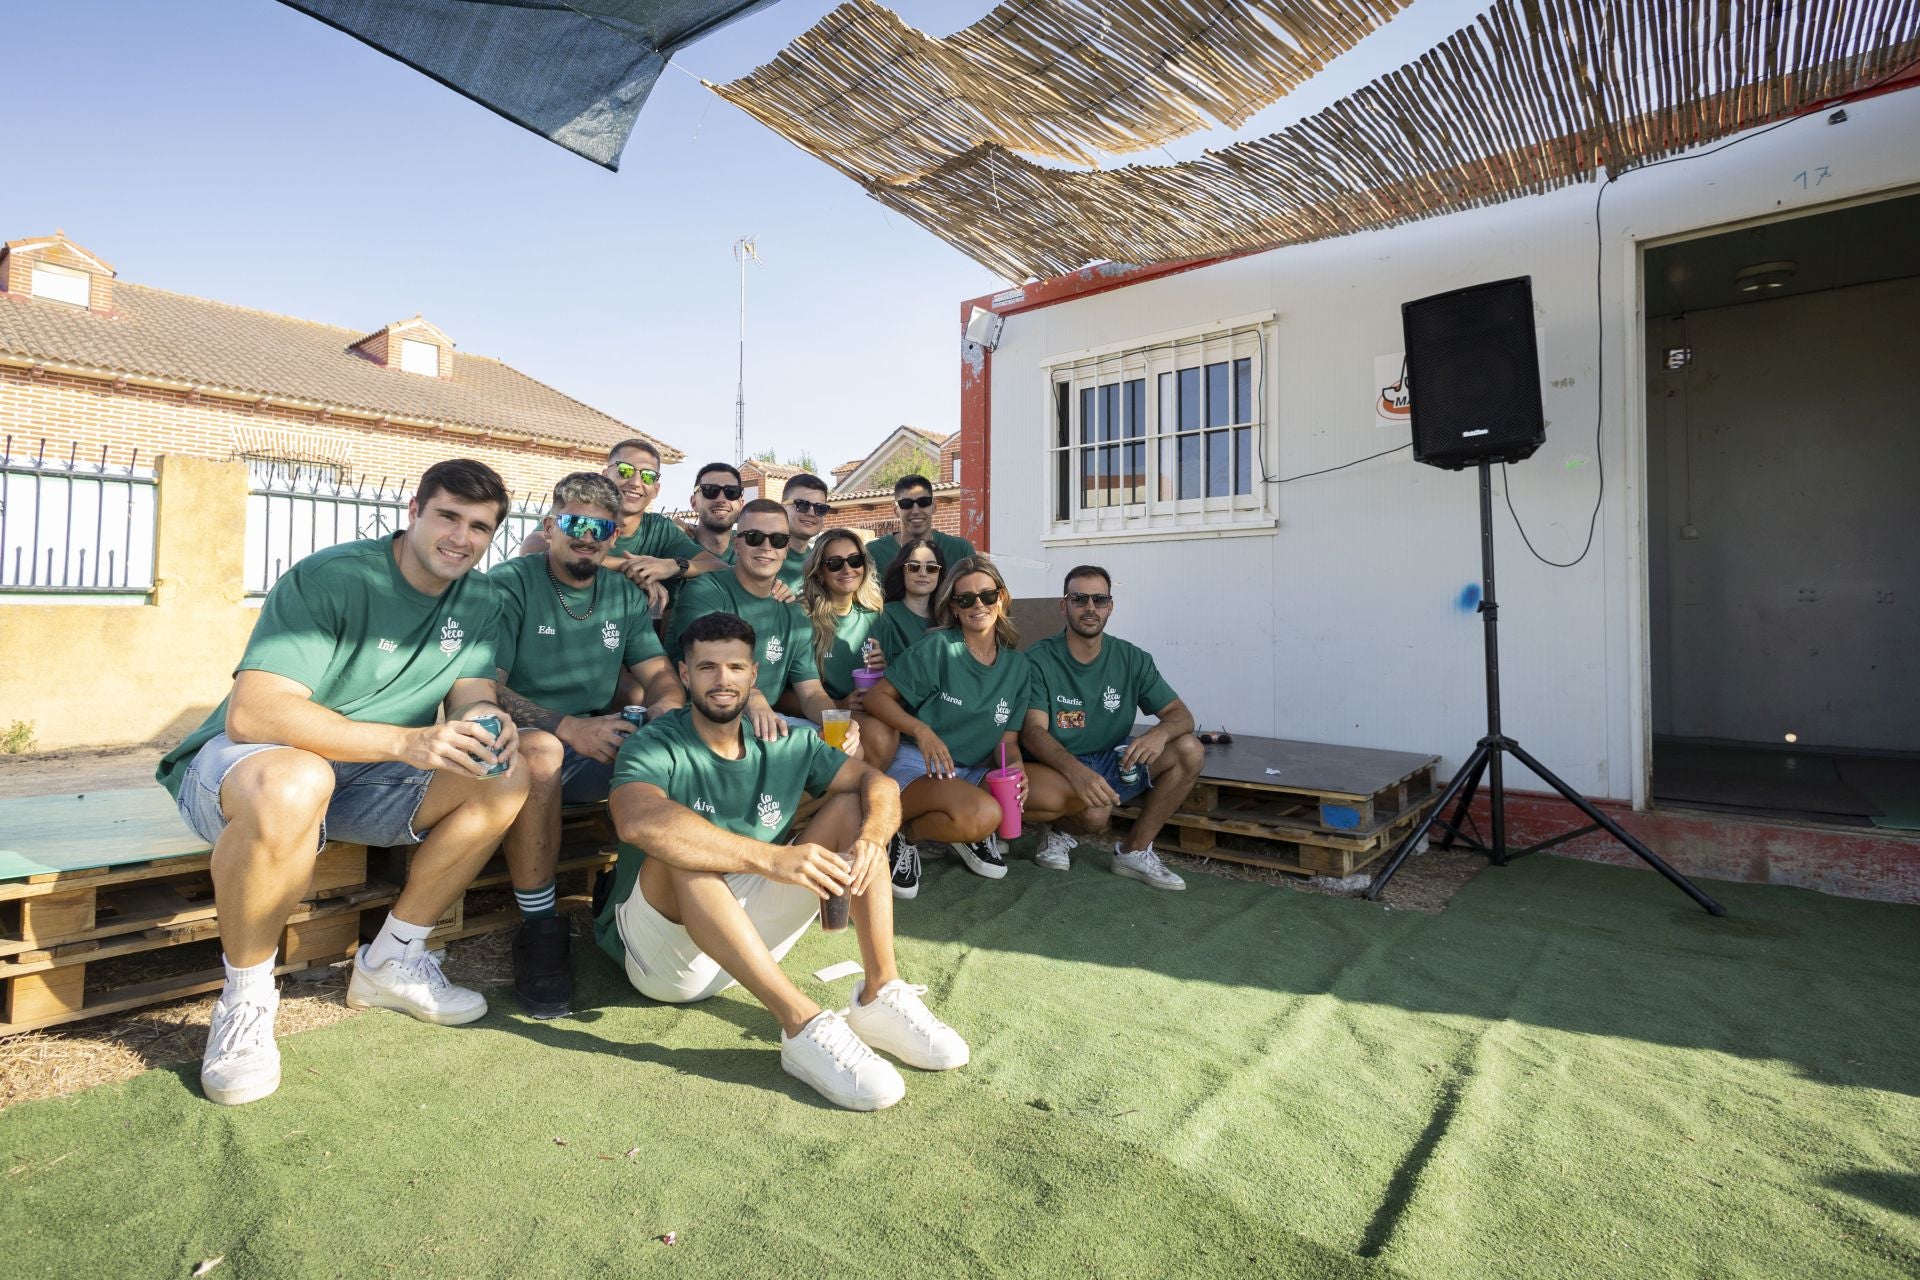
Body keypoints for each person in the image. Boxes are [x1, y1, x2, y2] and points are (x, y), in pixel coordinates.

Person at [154, 459, 531, 1107]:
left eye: (479, 527)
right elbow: (255, 714)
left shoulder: (481, 599)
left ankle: (392, 959)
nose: (461, 538)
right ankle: (245, 1002)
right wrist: (406, 742)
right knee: (299, 778)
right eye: (447, 516)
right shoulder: (333, 578)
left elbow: (471, 691)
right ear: (414, 512)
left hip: (363, 778)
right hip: (256, 769)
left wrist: (487, 722)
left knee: (506, 771)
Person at [598, 612, 968, 1111]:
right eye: (707, 667)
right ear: (684, 675)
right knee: (683, 850)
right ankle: (800, 1023)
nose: (722, 679)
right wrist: (773, 859)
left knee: (855, 809)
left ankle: (879, 993)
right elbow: (637, 820)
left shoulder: (785, 740)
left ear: (754, 675)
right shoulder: (655, 742)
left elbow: (876, 782)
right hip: (667, 960)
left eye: (735, 667)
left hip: (749, 939)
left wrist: (873, 839)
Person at [487, 472, 686, 1018]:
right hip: (517, 742)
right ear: (550, 525)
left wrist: (666, 712)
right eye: (575, 523)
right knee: (543, 752)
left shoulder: (621, 594)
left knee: (681, 747)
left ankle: (630, 899)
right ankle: (539, 926)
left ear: (614, 537)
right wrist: (569, 727)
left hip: (596, 737)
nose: (586, 536)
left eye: (601, 528)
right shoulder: (509, 584)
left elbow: (659, 675)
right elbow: (485, 689)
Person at [864, 556, 1058, 898]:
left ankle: (962, 831)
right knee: (985, 814)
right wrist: (922, 731)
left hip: (971, 772)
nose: (977, 605)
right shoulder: (938, 648)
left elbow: (1007, 741)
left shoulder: (1017, 666)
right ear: (953, 607)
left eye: (987, 595)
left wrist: (1015, 768)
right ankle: (904, 835)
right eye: (965, 599)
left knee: (1054, 795)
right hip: (918, 766)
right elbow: (876, 698)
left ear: (1001, 598)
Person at [1020, 567, 1203, 891]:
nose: (1090, 608)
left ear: (1110, 606)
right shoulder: (1038, 659)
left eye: (1099, 599)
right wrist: (1077, 773)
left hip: (1112, 758)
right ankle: (1058, 829)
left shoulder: (1131, 658)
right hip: (1057, 765)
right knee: (1095, 817)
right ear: (1064, 605)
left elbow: (1181, 715)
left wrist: (1158, 734)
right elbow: (1033, 732)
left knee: (1190, 749)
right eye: (1079, 599)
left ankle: (1134, 851)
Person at [667, 499, 843, 743]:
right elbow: (710, 661)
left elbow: (811, 692)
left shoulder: (793, 612)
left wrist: (837, 721)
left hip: (765, 724)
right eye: (754, 537)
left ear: (786, 548)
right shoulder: (705, 592)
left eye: (777, 540)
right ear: (737, 544)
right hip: (704, 718)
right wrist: (753, 695)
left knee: (849, 746)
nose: (766, 547)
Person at [520, 439, 726, 604]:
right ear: (605, 475)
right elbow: (532, 547)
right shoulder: (578, 511)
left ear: (656, 489)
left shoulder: (659, 529)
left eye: (648, 476)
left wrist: (675, 565)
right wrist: (629, 567)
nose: (635, 482)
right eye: (625, 470)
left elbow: (720, 567)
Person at [801, 528, 896, 766]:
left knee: (886, 732)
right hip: (818, 714)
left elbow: (896, 684)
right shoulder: (803, 617)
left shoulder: (875, 616)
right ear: (819, 572)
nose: (847, 569)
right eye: (834, 564)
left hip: (867, 710)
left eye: (855, 560)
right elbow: (785, 694)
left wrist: (883, 670)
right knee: (877, 737)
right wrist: (838, 706)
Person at [863, 474, 975, 576]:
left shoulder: (960, 551)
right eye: (906, 503)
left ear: (934, 506)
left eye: (923, 502)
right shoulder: (873, 553)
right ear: (895, 510)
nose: (915, 511)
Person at [872, 536, 946, 661]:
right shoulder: (884, 617)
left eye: (931, 568)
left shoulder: (947, 617)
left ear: (940, 574)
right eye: (913, 567)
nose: (923, 574)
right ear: (902, 571)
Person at [680, 461, 744, 558]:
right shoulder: (673, 545)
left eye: (732, 492)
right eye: (710, 490)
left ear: (741, 504)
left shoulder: (751, 547)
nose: (721, 500)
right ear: (694, 502)